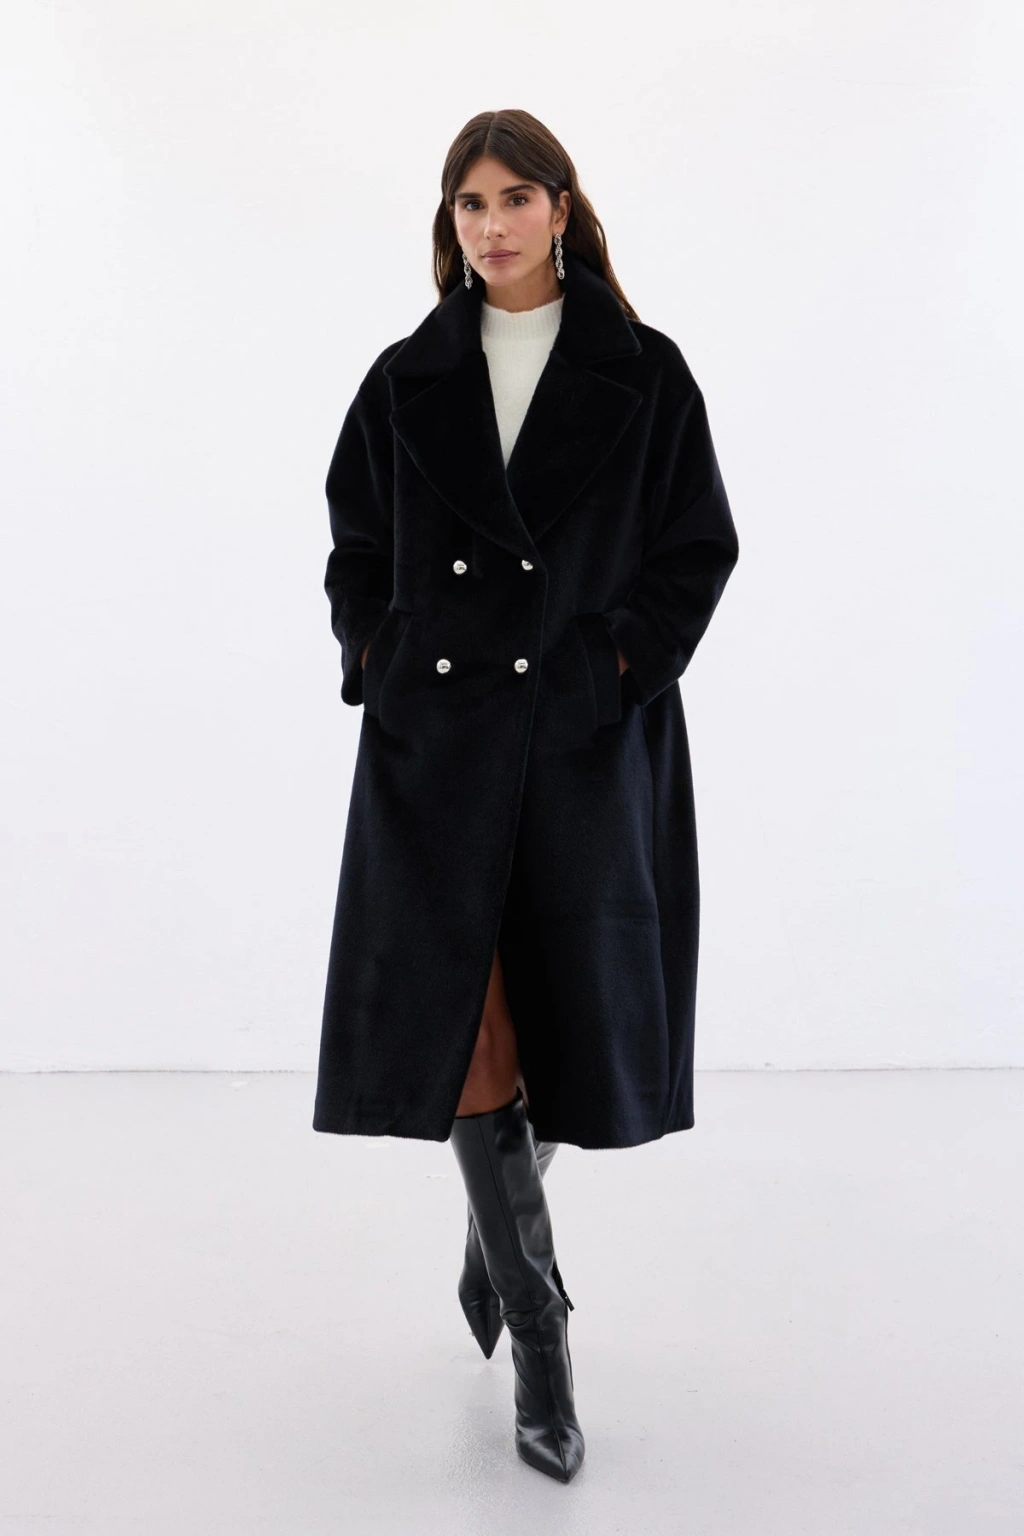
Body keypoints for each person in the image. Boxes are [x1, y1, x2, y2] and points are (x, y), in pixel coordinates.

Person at [312, 109, 740, 1484]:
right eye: (468, 203)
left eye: (514, 198)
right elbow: (356, 544)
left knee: (561, 1024)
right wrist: (375, 654)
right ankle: (543, 1333)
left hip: (576, 743)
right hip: (437, 745)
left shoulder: (643, 372)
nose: (490, 225)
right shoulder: (407, 378)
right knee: (466, 1019)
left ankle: (490, 1230)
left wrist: (615, 667)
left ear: (562, 207)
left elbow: (697, 549)